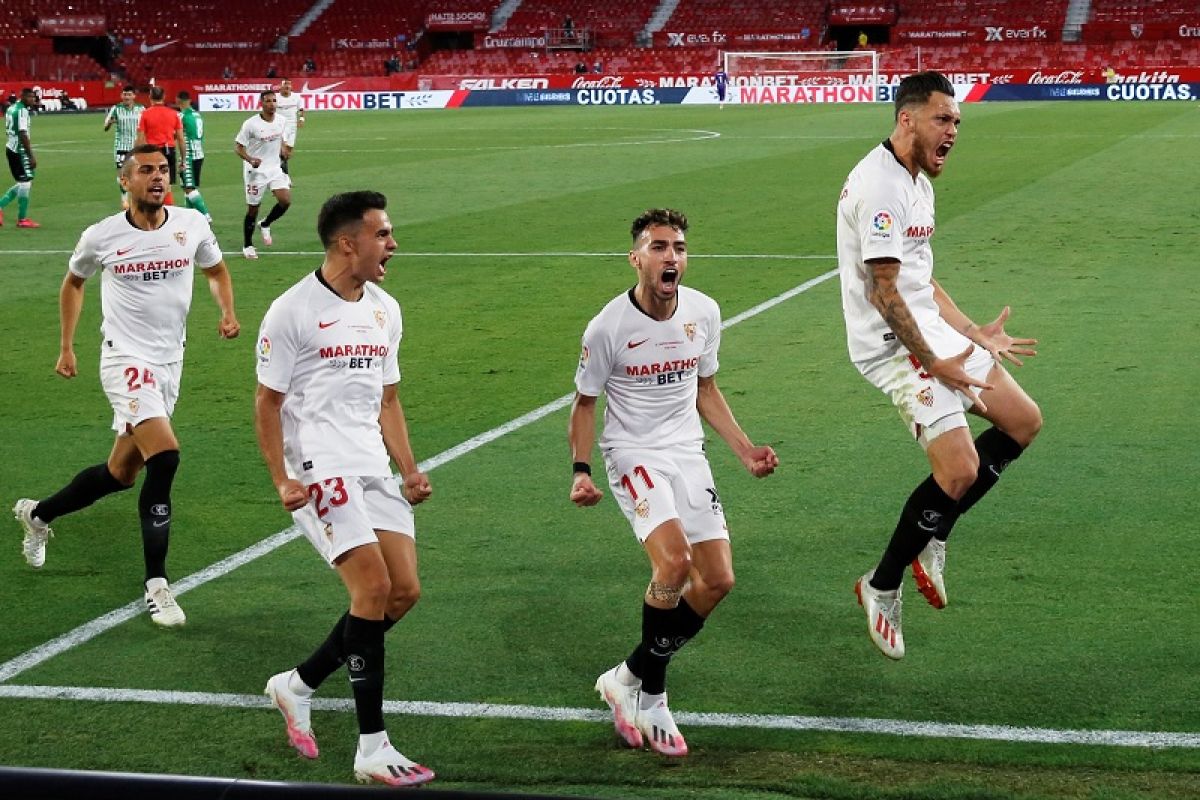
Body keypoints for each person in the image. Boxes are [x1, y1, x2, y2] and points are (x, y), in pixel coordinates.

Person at [835, 71, 1042, 660]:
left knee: (1022, 421)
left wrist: (974, 333)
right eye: (943, 119)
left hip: (930, 332)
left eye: (957, 121)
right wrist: (936, 363)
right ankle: (881, 586)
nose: (953, 130)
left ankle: (936, 534)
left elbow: (920, 279)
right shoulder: (881, 188)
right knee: (958, 471)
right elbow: (884, 292)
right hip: (894, 346)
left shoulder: (918, 181)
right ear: (907, 119)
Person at [569, 208, 779, 756]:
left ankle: (629, 675)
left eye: (679, 247)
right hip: (632, 454)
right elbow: (585, 404)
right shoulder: (608, 327)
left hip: (687, 453)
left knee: (717, 581)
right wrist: (581, 471)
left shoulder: (704, 312)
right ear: (636, 258)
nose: (671, 257)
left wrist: (745, 450)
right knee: (673, 563)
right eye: (658, 247)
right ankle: (654, 698)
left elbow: (705, 390)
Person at [11, 144, 240, 626]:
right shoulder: (101, 236)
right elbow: (73, 283)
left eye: (163, 170)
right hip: (124, 360)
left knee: (121, 474)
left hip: (169, 362)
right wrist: (67, 346)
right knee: (167, 456)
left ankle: (37, 514)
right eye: (146, 171)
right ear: (125, 181)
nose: (157, 177)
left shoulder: (190, 225)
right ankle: (157, 584)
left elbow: (216, 269)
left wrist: (226, 312)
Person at [255, 190, 435, 787]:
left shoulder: (386, 309)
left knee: (402, 592)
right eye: (383, 234)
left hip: (369, 462)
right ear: (346, 243)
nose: (393, 244)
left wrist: (408, 468)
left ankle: (297, 684)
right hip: (318, 468)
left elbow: (389, 398)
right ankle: (371, 746)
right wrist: (283, 477)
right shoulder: (292, 311)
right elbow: (267, 402)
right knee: (372, 585)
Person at [234, 90, 291, 259]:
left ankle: (265, 224)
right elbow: (238, 147)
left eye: (274, 100)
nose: (272, 104)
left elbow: (280, 141)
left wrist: (283, 153)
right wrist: (250, 159)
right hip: (255, 173)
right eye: (268, 101)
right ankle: (248, 245)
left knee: (285, 200)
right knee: (252, 209)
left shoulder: (282, 121)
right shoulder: (250, 124)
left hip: (274, 169)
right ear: (261, 103)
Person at [135, 86, 185, 206]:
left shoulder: (145, 114)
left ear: (150, 97)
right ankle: (168, 214)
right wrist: (183, 160)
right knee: (166, 186)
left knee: (150, 184)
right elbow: (181, 139)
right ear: (164, 97)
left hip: (152, 152)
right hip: (169, 151)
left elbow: (140, 139)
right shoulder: (174, 114)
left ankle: (152, 213)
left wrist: (136, 157)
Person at [0, 87, 40, 228]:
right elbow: (23, 133)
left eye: (33, 97)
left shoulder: (11, 108)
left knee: (24, 182)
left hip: (11, 148)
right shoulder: (22, 111)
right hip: (19, 151)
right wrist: (31, 156)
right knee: (25, 183)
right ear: (22, 96)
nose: (32, 100)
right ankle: (22, 220)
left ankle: (0, 207)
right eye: (29, 97)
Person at [103, 85, 143, 210]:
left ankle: (136, 197)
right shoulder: (116, 109)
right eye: (125, 94)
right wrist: (109, 123)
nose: (127, 97)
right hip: (121, 146)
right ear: (121, 96)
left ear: (134, 96)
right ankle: (124, 200)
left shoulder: (141, 109)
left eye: (129, 94)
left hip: (136, 147)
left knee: (137, 173)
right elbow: (105, 127)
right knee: (122, 173)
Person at [175, 91, 212, 222]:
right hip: (199, 153)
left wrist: (183, 160)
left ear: (178, 100)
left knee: (189, 188)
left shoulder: (181, 116)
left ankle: (206, 216)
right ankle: (189, 218)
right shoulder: (198, 115)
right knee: (187, 187)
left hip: (188, 156)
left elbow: (176, 135)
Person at [274, 78, 305, 176]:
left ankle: (279, 168)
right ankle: (283, 175)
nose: (287, 87)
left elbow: (301, 109)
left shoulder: (296, 97)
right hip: (280, 126)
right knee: (283, 150)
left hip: (292, 126)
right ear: (281, 87)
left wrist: (301, 119)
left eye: (289, 86)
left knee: (288, 152)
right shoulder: (275, 97)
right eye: (285, 86)